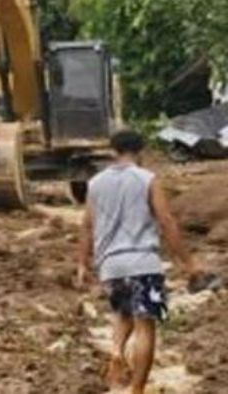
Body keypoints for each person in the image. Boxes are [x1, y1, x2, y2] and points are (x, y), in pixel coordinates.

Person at [78, 128, 196, 394]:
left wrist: (82, 264)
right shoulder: (148, 179)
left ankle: (117, 350)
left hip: (110, 265)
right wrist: (187, 263)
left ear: (113, 151)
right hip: (143, 262)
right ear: (140, 152)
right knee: (146, 325)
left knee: (123, 313)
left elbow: (86, 226)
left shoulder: (95, 183)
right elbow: (166, 220)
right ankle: (138, 389)